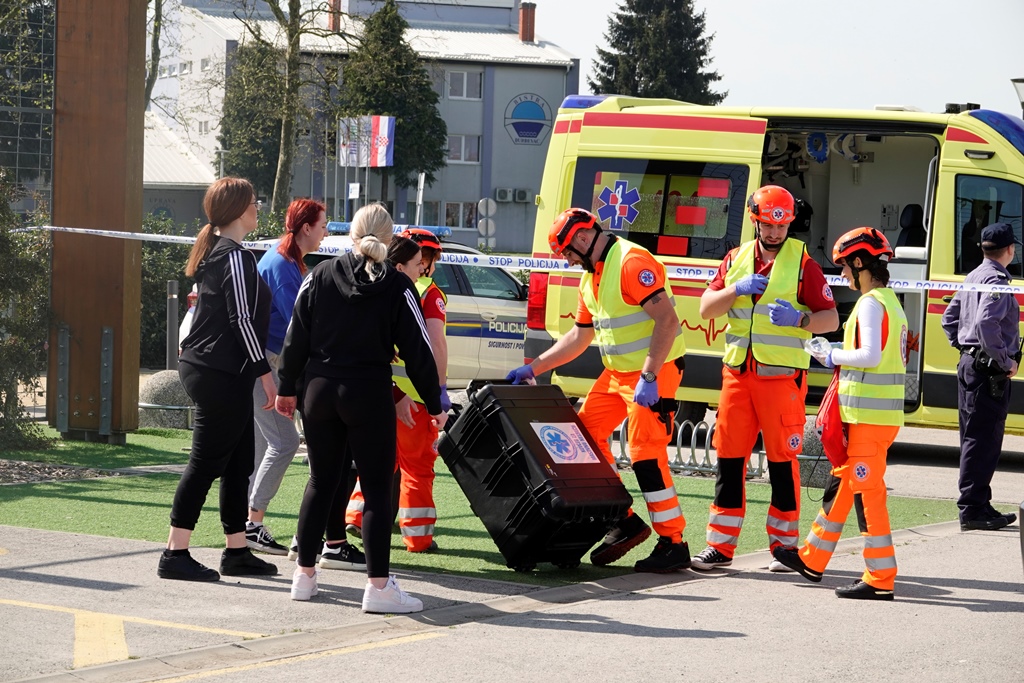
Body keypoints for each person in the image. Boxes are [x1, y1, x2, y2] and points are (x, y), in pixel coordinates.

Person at [275, 203, 447, 613]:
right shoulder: (397, 286)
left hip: (318, 389)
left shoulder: (318, 275)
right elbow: (418, 351)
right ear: (390, 240)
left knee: (321, 481)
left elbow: (295, 337)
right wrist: (434, 400)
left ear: (350, 235)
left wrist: (286, 386)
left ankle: (304, 576)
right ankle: (378, 586)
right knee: (374, 490)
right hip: (367, 392)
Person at [506, 207, 691, 573]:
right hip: (618, 374)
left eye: (568, 253)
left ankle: (673, 543)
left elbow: (667, 321)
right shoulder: (592, 277)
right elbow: (579, 337)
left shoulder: (630, 262)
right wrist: (534, 368)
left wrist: (650, 376)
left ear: (583, 238)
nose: (569, 261)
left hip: (656, 372)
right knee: (581, 442)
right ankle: (622, 518)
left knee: (645, 454)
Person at [690, 185, 839, 572]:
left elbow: (831, 318)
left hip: (782, 379)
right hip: (738, 375)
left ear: (789, 222)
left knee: (782, 462)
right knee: (728, 459)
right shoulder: (735, 258)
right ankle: (719, 547)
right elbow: (706, 308)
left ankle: (785, 547)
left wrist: (801, 319)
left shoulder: (803, 261)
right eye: (768, 225)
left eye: (781, 225)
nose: (775, 233)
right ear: (755, 220)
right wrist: (735, 290)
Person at [772, 227, 908, 600]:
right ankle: (812, 558)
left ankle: (880, 580)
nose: (843, 274)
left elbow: (870, 357)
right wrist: (833, 346)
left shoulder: (868, 303)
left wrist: (829, 355)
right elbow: (873, 352)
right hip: (878, 419)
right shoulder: (889, 302)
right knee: (847, 483)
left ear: (860, 262)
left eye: (846, 266)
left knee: (869, 495)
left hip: (867, 418)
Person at [158, 177, 278, 582]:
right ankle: (174, 553)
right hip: (219, 373)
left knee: (239, 462)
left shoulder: (225, 253)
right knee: (206, 462)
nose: (258, 206)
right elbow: (241, 319)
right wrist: (266, 374)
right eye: (254, 201)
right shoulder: (233, 258)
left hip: (222, 371)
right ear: (240, 209)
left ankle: (237, 550)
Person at [245, 199, 366, 571]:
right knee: (282, 444)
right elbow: (300, 325)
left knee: (267, 443)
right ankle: (251, 523)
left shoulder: (287, 261)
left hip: (269, 362)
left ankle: (247, 522)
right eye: (324, 224)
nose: (327, 230)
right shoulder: (283, 265)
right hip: (269, 363)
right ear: (306, 228)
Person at [346, 229, 452, 553]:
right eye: (423, 260)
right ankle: (418, 537)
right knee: (418, 467)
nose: (424, 266)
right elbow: (435, 346)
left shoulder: (374, 284)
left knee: (379, 461)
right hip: (415, 396)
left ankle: (355, 514)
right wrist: (440, 389)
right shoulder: (427, 292)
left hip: (382, 392)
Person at [941, 221, 1021, 532]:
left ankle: (980, 502)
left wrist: (966, 349)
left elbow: (950, 319)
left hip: (971, 366)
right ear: (1010, 250)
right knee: (983, 439)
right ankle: (973, 509)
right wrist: (1003, 360)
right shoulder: (998, 280)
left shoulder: (974, 276)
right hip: (988, 371)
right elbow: (987, 323)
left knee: (975, 436)